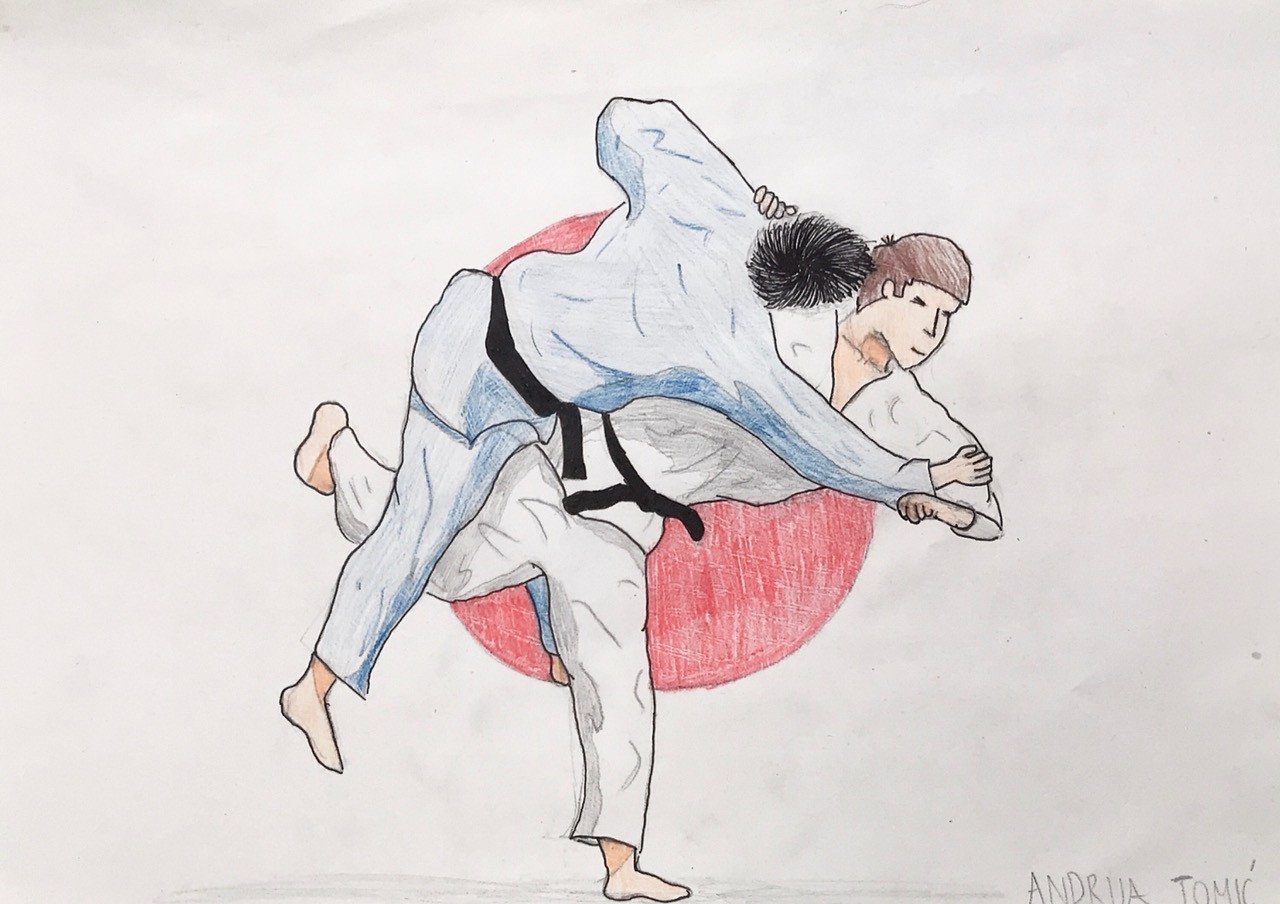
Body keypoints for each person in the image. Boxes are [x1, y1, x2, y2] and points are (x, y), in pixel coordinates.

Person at [281, 97, 980, 901]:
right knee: (423, 545)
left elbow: (623, 120)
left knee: (594, 640)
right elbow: (815, 440)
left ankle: (619, 861)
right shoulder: (740, 354)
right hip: (476, 366)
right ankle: (316, 661)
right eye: (923, 310)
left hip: (555, 426)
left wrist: (735, 188)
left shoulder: (711, 199)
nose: (931, 334)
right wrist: (915, 481)